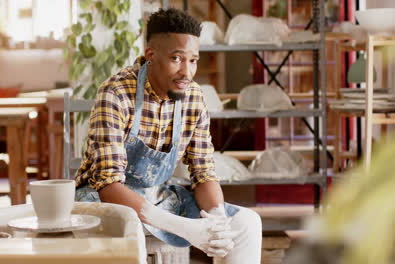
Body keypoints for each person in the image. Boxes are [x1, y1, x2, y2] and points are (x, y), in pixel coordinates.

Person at [75, 8, 262, 263]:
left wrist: (216, 220)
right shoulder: (115, 93)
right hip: (105, 204)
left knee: (245, 223)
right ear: (151, 55)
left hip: (158, 197)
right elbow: (108, 185)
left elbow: (204, 173)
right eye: (177, 58)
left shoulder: (193, 97)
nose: (187, 72)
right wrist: (184, 227)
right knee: (128, 232)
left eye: (193, 60)